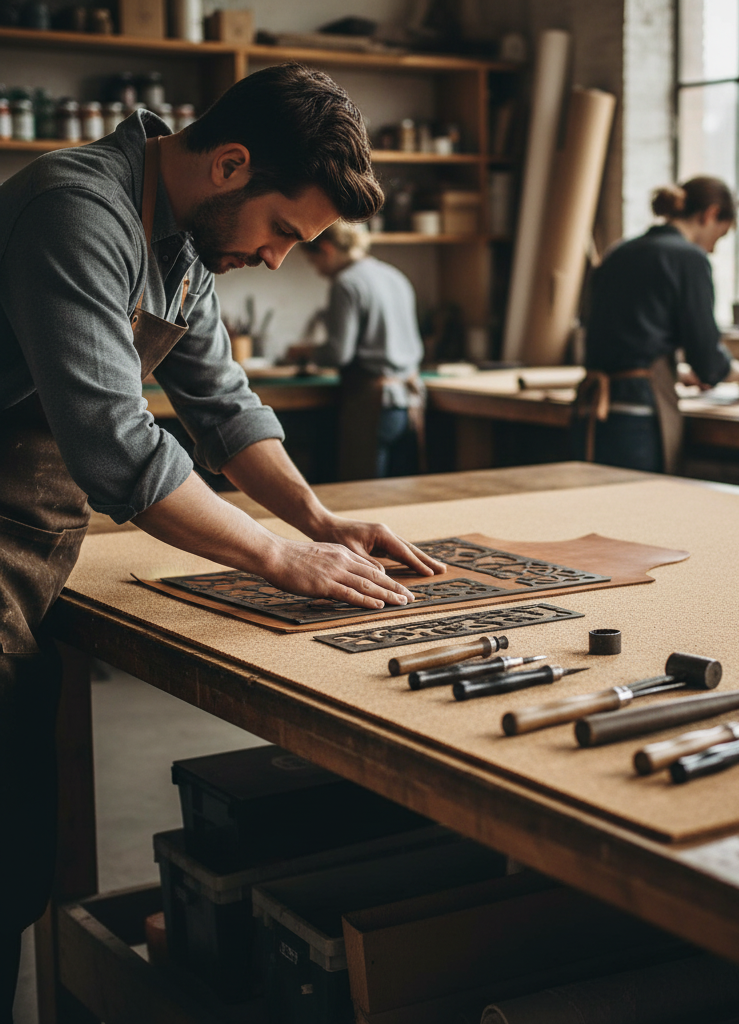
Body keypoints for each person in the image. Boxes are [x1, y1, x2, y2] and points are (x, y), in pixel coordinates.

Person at [0, 62, 446, 1019]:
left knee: (14, 840)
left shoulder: (185, 247)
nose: (283, 259)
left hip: (28, 529)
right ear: (232, 165)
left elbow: (223, 406)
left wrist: (319, 521)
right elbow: (121, 446)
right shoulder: (77, 211)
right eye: (284, 230)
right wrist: (283, 559)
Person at [577, 176, 739, 474]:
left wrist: (673, 371)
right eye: (720, 235)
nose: (714, 249)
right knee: (644, 513)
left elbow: (620, 338)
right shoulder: (688, 259)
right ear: (710, 214)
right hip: (638, 414)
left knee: (602, 514)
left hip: (591, 409)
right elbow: (707, 359)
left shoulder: (618, 252)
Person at [296, 224, 425, 479]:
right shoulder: (394, 275)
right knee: (405, 492)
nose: (318, 271)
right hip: (411, 399)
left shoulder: (346, 283)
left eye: (314, 262)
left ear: (327, 249)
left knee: (365, 491)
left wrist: (306, 353)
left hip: (374, 403)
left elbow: (338, 354)